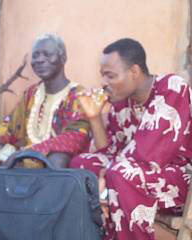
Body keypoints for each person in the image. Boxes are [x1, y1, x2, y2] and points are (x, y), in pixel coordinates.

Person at [0, 34, 91, 240]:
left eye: (46, 54)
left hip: (54, 157)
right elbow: (10, 127)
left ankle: (46, 231)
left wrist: (32, 152)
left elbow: (76, 137)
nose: (38, 60)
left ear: (63, 58)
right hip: (22, 151)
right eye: (35, 55)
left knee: (57, 159)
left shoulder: (77, 95)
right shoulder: (31, 93)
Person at [69, 38, 192, 240]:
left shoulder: (171, 88)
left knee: (120, 174)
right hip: (128, 178)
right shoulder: (121, 104)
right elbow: (109, 153)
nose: (104, 83)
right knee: (81, 164)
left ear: (134, 72)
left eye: (111, 76)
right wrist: (94, 117)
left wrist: (105, 179)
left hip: (177, 184)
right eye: (103, 76)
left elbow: (146, 155)